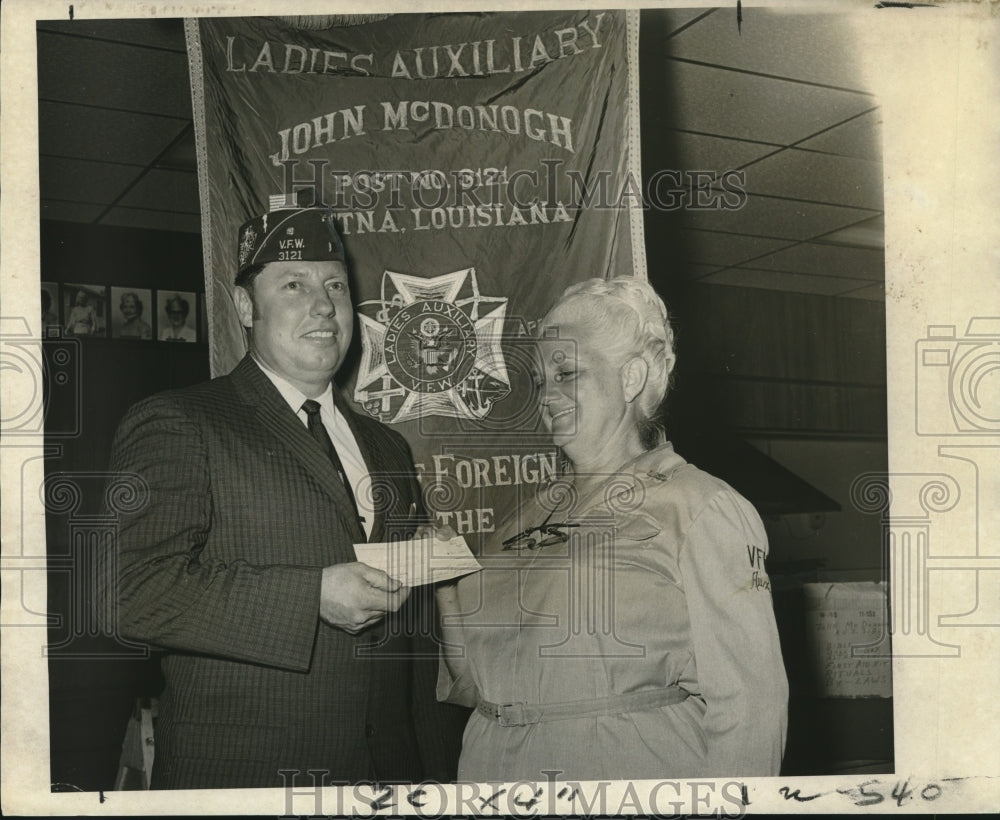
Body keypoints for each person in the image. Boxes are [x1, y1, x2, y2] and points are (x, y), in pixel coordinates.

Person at [104, 208, 436, 789]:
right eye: (294, 285)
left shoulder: (387, 447)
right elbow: (125, 596)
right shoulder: (181, 421)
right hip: (248, 782)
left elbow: (414, 647)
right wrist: (310, 597)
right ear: (243, 308)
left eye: (335, 284)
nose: (324, 305)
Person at [436, 277, 788, 781]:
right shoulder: (525, 518)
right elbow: (472, 684)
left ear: (631, 379)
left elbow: (753, 703)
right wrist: (445, 582)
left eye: (567, 373)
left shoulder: (701, 506)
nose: (547, 395)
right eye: (540, 380)